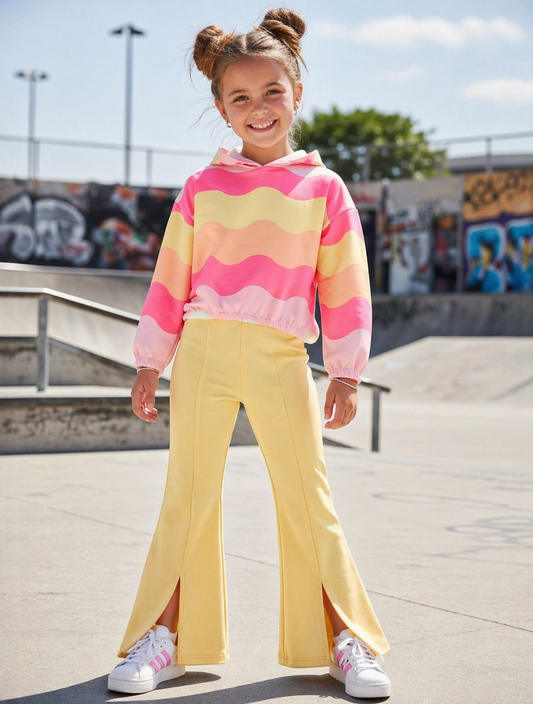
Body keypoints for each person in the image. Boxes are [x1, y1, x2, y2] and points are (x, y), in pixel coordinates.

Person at [108, 8, 391, 700]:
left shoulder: (324, 188)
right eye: (240, 97)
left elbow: (345, 284)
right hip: (202, 353)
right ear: (221, 108)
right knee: (187, 498)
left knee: (307, 498)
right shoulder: (201, 188)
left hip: (280, 357)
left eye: (272, 92)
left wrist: (347, 371)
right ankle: (165, 638)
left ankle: (345, 639)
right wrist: (149, 359)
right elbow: (171, 278)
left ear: (297, 93)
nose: (258, 108)